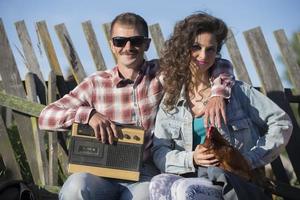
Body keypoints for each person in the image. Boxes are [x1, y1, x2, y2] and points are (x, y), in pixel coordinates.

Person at [38, 12, 235, 200]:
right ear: (112, 45)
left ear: (147, 44)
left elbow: (215, 62)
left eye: (136, 41)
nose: (128, 47)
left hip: (144, 173)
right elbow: (46, 117)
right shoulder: (96, 84)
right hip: (99, 173)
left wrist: (218, 93)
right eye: (120, 41)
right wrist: (88, 115)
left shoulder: (163, 72)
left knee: (147, 195)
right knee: (76, 186)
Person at [149, 12, 293, 200]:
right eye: (196, 47)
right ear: (183, 49)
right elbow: (160, 151)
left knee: (186, 190)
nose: (203, 55)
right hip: (189, 175)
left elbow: (281, 123)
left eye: (210, 49)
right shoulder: (172, 99)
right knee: (158, 184)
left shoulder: (236, 92)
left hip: (231, 183)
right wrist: (191, 158)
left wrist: (247, 160)